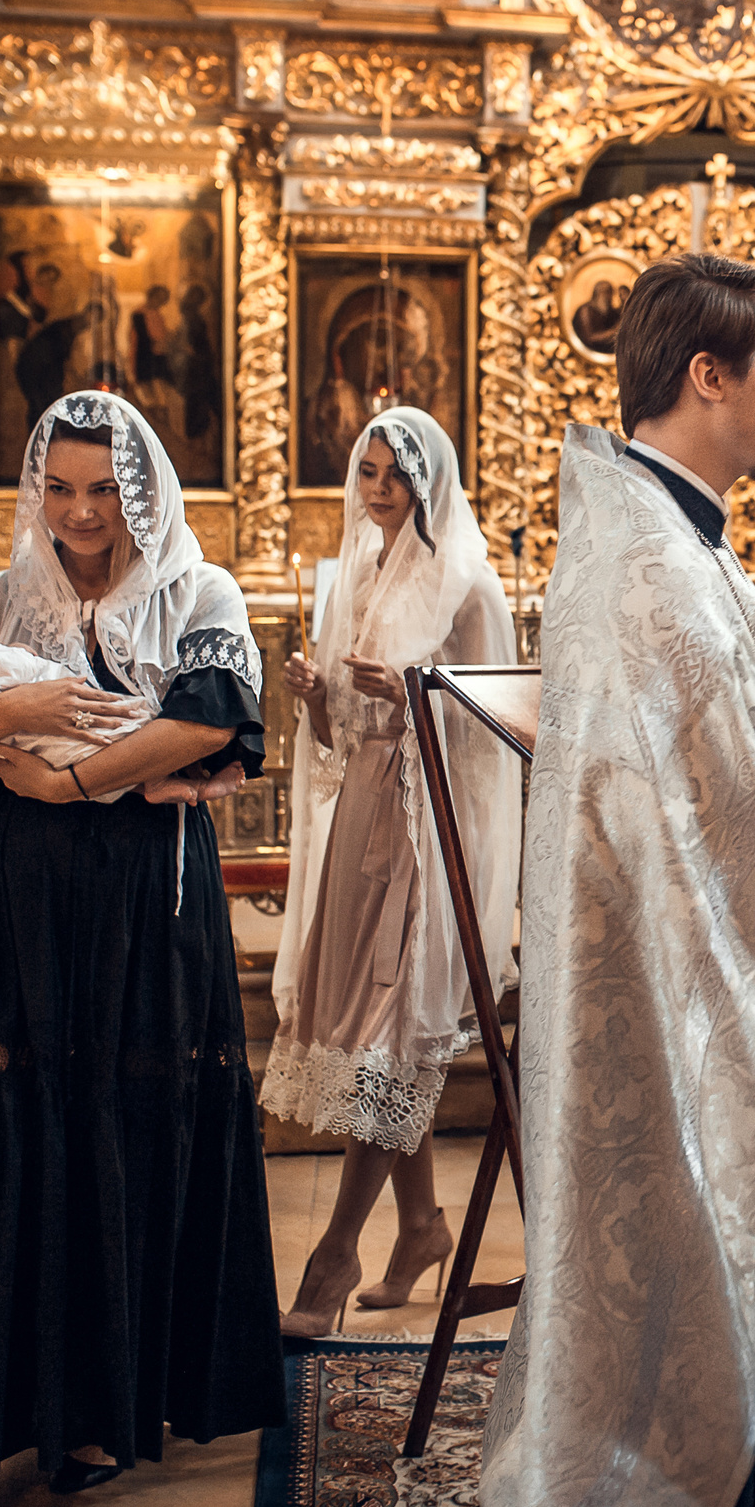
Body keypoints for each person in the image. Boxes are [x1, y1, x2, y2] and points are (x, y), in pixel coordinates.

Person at [462, 255, 755, 1507]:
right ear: (710, 375)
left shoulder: (667, 537)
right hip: (680, 1012)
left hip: (695, 987)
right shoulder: (652, 567)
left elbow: (739, 737)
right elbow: (710, 832)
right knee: (729, 1298)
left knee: (744, 1291)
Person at [0, 392, 284, 1507]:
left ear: (143, 495)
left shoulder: (199, 592)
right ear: (34, 490)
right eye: (60, 488)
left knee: (128, 1121)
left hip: (149, 893)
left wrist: (64, 777)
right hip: (16, 898)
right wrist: (22, 706)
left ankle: (102, 1413)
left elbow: (210, 722)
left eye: (105, 490)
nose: (83, 513)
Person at [261, 405, 520, 1336]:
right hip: (364, 819)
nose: (378, 490)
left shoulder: (470, 585)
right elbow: (339, 738)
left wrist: (412, 695)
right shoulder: (361, 574)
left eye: (396, 475)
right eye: (367, 472)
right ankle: (420, 1227)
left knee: (390, 1033)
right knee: (374, 1034)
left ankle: (335, 1254)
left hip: (426, 829)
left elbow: (496, 729)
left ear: (429, 483)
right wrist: (316, 697)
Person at [0, 642, 242, 806]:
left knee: (105, 750)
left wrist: (58, 785)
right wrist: (13, 709)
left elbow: (208, 726)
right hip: (47, 793)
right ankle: (171, 780)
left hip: (55, 763)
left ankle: (156, 784)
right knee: (129, 723)